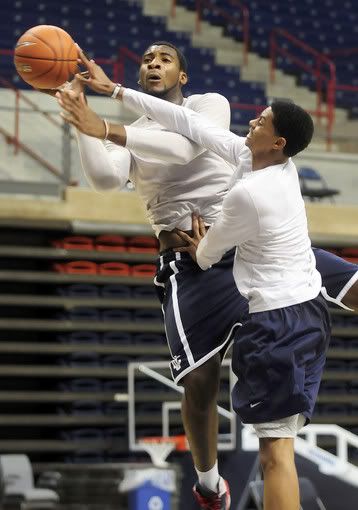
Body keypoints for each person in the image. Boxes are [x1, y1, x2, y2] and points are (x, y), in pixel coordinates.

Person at [56, 44, 358, 509]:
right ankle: (210, 484)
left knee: (351, 284)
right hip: (188, 259)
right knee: (199, 382)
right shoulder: (133, 133)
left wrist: (105, 126)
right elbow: (102, 180)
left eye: (165, 58)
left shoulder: (208, 104)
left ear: (183, 74)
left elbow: (183, 141)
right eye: (148, 58)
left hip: (248, 244)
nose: (154, 63)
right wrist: (85, 123)